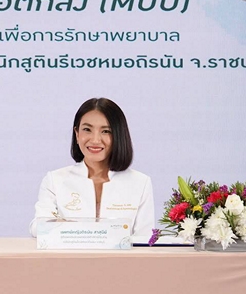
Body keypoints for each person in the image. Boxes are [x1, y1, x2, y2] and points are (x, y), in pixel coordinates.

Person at [29, 98, 154, 241]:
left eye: (106, 131)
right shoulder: (55, 180)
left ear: (118, 136)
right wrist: (66, 227)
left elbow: (145, 240)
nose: (95, 140)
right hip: (69, 256)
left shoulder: (140, 183)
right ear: (77, 134)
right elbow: (37, 227)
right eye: (87, 129)